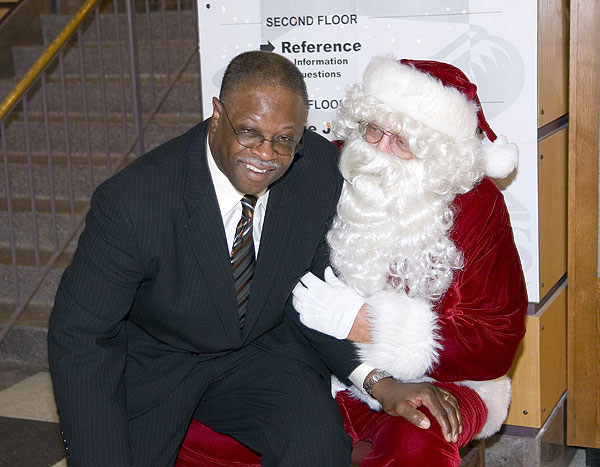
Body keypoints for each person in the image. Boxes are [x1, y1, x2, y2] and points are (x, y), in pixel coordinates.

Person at [48, 50, 366, 466]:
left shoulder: (318, 169)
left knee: (319, 449)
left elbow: (315, 284)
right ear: (217, 115)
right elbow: (80, 335)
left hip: (258, 349)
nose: (266, 154)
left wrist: (373, 379)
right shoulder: (134, 201)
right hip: (160, 357)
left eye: (284, 139)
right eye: (249, 132)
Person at [291, 56, 528, 466]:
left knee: (415, 446)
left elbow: (497, 338)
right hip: (322, 369)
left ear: (439, 156)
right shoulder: (330, 167)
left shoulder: (475, 204)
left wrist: (377, 327)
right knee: (208, 432)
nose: (377, 151)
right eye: (372, 130)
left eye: (400, 141)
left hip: (439, 381)